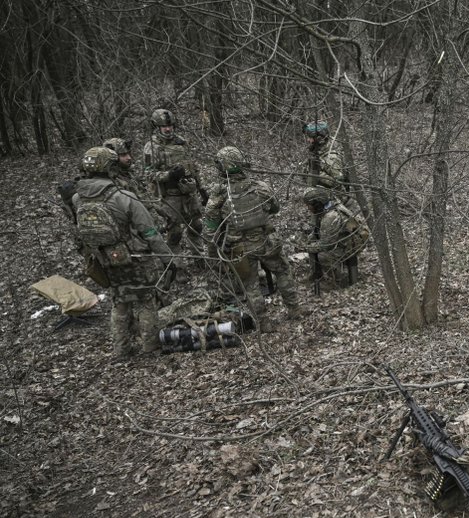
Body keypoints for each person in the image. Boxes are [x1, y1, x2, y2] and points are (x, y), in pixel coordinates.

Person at [71, 146, 176, 358]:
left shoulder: (77, 199)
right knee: (146, 299)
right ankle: (150, 346)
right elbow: (150, 232)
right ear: (110, 168)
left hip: (105, 260)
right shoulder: (123, 197)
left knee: (119, 302)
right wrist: (168, 259)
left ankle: (121, 349)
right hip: (134, 258)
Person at [203, 146, 302, 331]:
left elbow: (210, 225)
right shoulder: (259, 187)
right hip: (266, 242)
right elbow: (275, 208)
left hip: (239, 248)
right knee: (282, 271)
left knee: (250, 286)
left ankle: (264, 323)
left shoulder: (220, 194)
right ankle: (294, 309)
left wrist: (213, 252)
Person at [143, 108, 205, 256]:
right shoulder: (152, 147)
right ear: (157, 127)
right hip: (170, 196)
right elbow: (148, 174)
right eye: (164, 126)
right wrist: (169, 175)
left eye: (170, 126)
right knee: (175, 233)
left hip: (189, 192)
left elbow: (193, 166)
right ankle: (177, 267)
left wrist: (201, 188)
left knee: (196, 226)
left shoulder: (181, 142)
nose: (168, 129)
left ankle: (199, 257)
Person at [302, 187, 369, 289]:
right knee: (313, 245)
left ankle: (337, 281)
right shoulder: (331, 205)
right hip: (348, 239)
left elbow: (326, 245)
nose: (308, 208)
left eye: (309, 205)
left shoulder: (330, 217)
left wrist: (307, 247)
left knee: (323, 256)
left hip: (352, 244)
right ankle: (316, 275)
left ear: (317, 204)